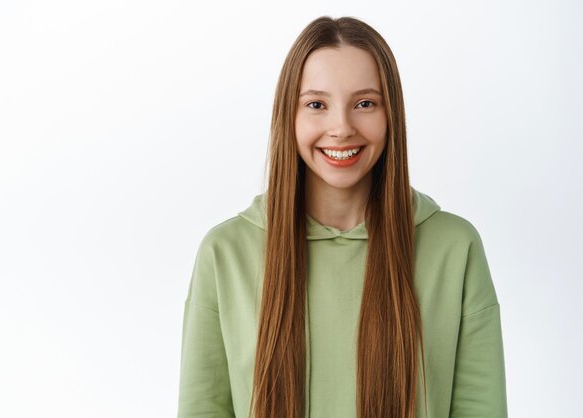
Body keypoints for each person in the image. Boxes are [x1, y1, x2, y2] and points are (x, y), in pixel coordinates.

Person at [177, 15, 508, 418]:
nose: (341, 127)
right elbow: (203, 408)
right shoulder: (224, 253)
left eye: (364, 103)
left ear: (391, 116)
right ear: (289, 116)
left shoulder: (455, 247)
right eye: (316, 104)